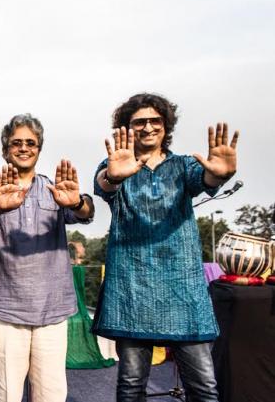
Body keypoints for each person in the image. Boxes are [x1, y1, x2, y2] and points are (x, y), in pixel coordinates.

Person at [92, 93, 239, 402]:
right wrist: (112, 177)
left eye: (154, 120)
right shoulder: (116, 162)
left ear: (166, 125)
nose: (148, 127)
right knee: (131, 386)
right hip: (133, 286)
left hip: (182, 288)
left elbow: (205, 179)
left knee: (204, 388)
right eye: (139, 122)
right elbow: (104, 184)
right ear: (127, 128)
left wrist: (217, 175)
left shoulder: (184, 165)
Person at [0, 113, 95, 402]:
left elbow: (86, 212)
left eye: (31, 143)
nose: (24, 148)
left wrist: (77, 202)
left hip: (52, 309)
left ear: (39, 149)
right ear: (5, 149)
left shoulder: (54, 190)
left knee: (50, 395)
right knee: (6, 395)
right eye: (17, 143)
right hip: (5, 308)